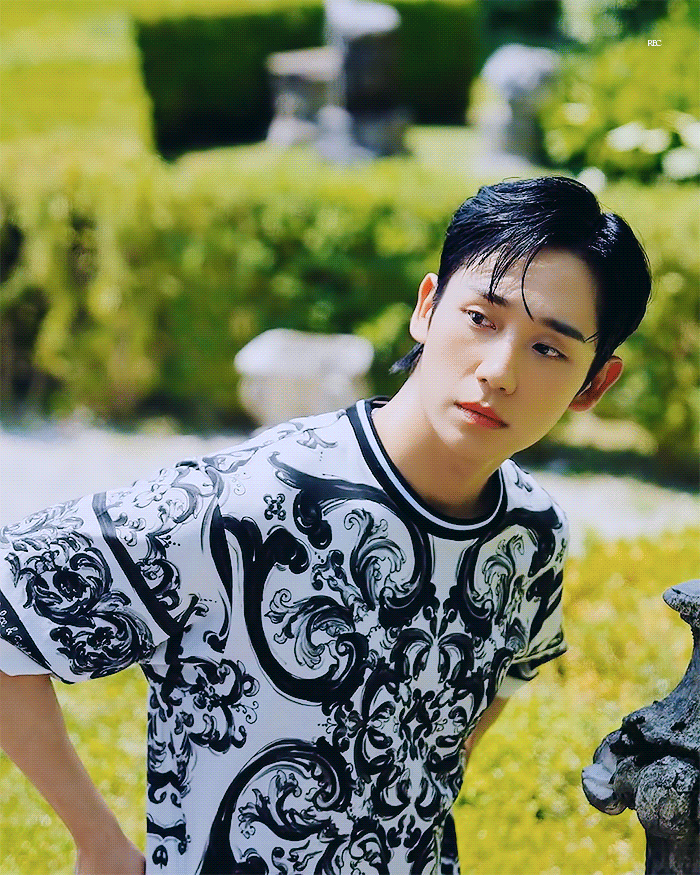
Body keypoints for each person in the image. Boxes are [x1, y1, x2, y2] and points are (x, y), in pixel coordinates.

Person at [0, 176, 651, 875]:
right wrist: (99, 843)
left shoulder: (532, 534)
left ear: (595, 383)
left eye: (548, 349)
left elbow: (499, 681)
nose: (499, 372)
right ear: (427, 308)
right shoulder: (250, 499)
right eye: (481, 318)